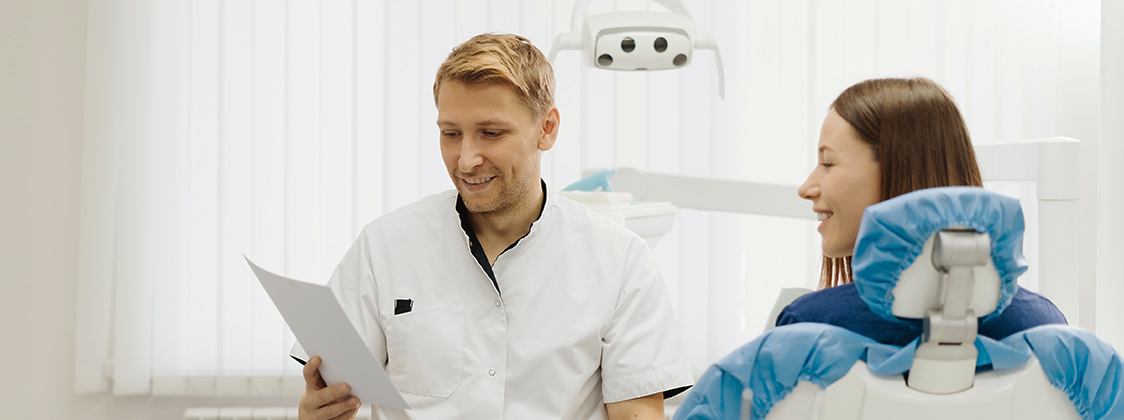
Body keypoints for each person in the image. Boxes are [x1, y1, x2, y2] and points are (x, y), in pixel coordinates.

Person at [292, 33, 692, 420]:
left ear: (547, 129)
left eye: (491, 133)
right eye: (451, 134)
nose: (466, 160)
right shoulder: (383, 249)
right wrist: (315, 415)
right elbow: (326, 394)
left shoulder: (620, 261)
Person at [776, 77, 1067, 346]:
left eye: (828, 163)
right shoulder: (1045, 328)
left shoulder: (808, 327)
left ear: (897, 169)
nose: (806, 188)